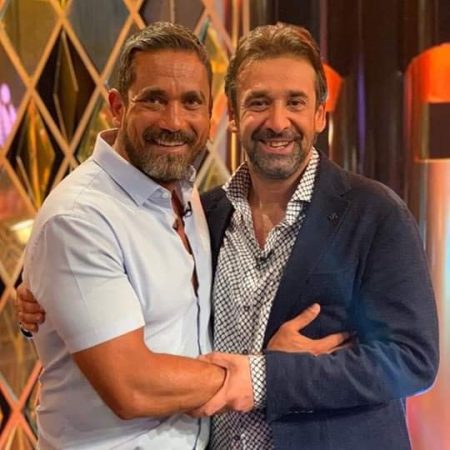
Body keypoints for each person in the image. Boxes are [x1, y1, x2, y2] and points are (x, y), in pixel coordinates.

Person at [16, 22, 438, 450]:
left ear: (319, 114)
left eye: (295, 102)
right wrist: (48, 299)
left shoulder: (374, 212)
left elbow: (412, 358)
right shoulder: (205, 212)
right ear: (232, 116)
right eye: (259, 102)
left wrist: (267, 377)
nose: (278, 122)